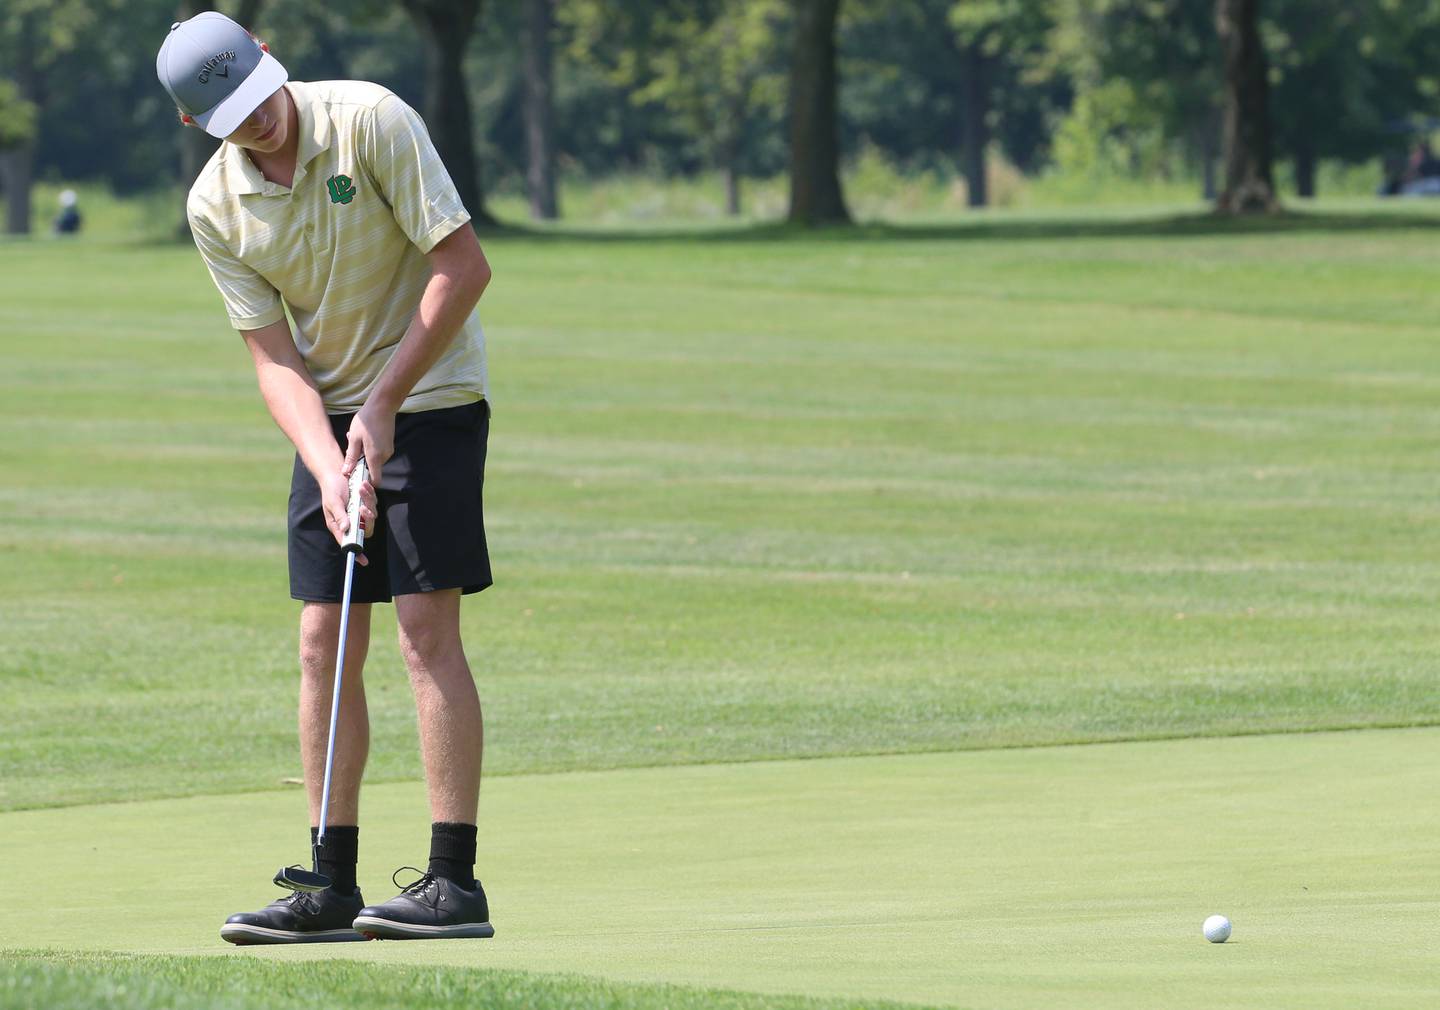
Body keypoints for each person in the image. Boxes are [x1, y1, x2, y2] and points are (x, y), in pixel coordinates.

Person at [155, 11, 496, 944]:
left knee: (424, 629)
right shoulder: (214, 206)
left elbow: (463, 267)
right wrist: (327, 457)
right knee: (323, 639)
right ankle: (330, 883)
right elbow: (272, 360)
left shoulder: (370, 119)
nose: (258, 119)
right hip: (331, 418)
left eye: (259, 93)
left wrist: (383, 406)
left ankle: (452, 881)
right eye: (230, 113)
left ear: (270, 60)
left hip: (429, 395)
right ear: (196, 124)